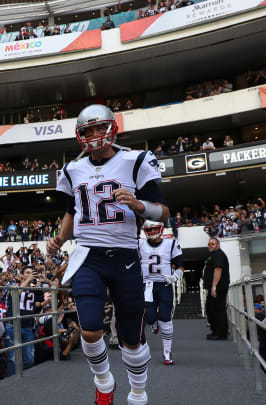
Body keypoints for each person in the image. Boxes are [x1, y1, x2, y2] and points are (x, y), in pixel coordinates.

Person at [50, 104, 169, 405]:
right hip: (88, 255)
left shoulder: (135, 160)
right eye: (86, 131)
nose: (93, 135)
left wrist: (139, 205)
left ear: (112, 128)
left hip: (125, 256)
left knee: (131, 338)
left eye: (98, 128)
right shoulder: (72, 169)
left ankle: (138, 390)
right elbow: (70, 210)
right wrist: (60, 238)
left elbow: (163, 212)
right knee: (89, 329)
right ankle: (104, 381)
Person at [139, 221, 183, 365]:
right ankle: (154, 324)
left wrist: (175, 276)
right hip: (148, 286)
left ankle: (167, 351)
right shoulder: (140, 245)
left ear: (161, 229)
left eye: (155, 229)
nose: (152, 232)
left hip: (165, 284)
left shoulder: (170, 244)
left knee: (165, 317)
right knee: (149, 318)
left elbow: (180, 266)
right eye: (149, 230)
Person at [203, 238, 229, 340]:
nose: (210, 245)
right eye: (209, 243)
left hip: (218, 287)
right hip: (213, 288)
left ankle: (221, 333)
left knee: (218, 309)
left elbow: (218, 269)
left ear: (218, 245)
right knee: (210, 308)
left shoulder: (218, 254)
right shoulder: (213, 255)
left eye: (213, 243)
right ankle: (215, 331)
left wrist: (214, 286)